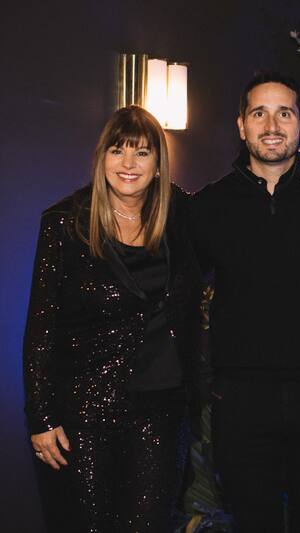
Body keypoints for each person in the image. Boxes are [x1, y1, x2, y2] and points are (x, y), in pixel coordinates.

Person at [188, 71, 300, 533]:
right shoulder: (211, 206)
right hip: (241, 401)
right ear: (241, 125)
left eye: (284, 113)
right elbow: (174, 286)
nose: (272, 125)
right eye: (259, 113)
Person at [23, 105, 202, 532]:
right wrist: (41, 417)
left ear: (158, 163)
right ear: (101, 157)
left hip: (162, 413)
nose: (128, 164)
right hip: (83, 414)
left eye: (141, 153)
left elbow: (240, 207)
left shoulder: (183, 215)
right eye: (118, 151)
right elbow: (40, 328)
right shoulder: (64, 223)